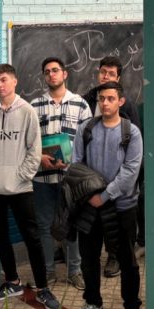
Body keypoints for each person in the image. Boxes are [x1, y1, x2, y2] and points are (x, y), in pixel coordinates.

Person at [0, 64, 60, 309]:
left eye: (3, 80)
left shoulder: (27, 112)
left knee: (31, 237)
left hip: (20, 187)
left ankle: (42, 288)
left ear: (14, 81)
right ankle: (12, 282)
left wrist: (21, 176)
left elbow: (34, 150)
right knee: (0, 236)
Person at [69, 81, 144, 309]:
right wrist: (91, 195)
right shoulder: (86, 128)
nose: (105, 103)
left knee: (127, 261)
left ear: (121, 101)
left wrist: (105, 195)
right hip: (90, 206)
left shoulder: (131, 132)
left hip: (122, 207)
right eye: (102, 98)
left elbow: (130, 171)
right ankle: (93, 303)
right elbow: (77, 164)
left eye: (111, 98)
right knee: (89, 258)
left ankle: (132, 307)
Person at [28, 57, 91, 289]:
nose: (51, 75)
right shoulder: (34, 106)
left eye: (55, 70)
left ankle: (74, 271)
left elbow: (88, 140)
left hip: (70, 177)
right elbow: (28, 141)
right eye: (47, 72)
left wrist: (74, 163)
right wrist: (39, 157)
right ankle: (48, 272)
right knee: (44, 225)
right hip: (42, 177)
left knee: (71, 224)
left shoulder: (80, 104)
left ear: (65, 74)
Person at [83, 55, 141, 276]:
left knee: (118, 230)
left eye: (111, 74)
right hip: (92, 181)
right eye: (103, 72)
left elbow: (134, 147)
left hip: (119, 184)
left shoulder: (128, 107)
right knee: (94, 229)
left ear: (118, 78)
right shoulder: (88, 99)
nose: (105, 76)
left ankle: (114, 257)